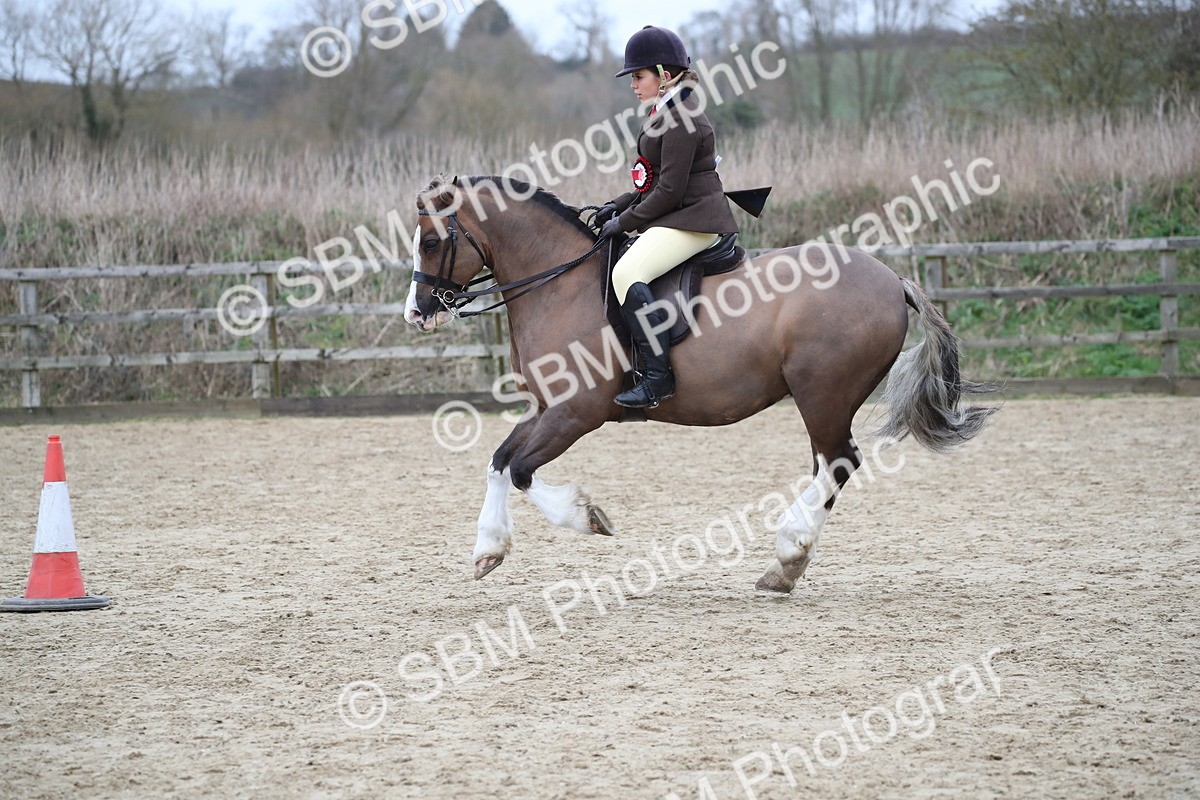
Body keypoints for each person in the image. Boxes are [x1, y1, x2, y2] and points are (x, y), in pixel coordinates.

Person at [595, 25, 740, 409]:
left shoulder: (682, 117)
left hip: (695, 221)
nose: (633, 84)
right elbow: (655, 182)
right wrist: (619, 204)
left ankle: (658, 378)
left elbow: (669, 192)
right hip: (681, 214)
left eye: (638, 76)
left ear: (663, 74)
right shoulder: (669, 109)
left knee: (626, 273)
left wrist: (623, 222)